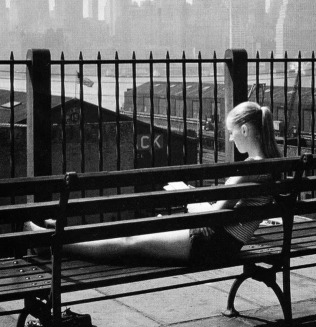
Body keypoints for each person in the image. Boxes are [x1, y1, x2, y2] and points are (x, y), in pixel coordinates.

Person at [25, 101, 281, 266]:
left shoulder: (251, 167)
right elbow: (231, 212)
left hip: (209, 244)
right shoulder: (270, 164)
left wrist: (192, 202)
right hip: (221, 243)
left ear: (245, 130)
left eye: (231, 132)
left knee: (129, 241)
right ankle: (59, 235)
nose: (230, 138)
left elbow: (215, 217)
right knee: (130, 235)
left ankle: (55, 242)